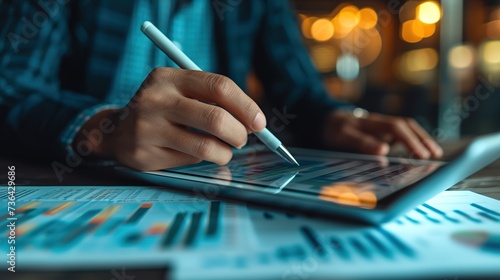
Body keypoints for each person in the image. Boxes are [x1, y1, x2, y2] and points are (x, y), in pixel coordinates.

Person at [0, 0, 442, 172]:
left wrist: (336, 119)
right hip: (83, 189)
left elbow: (299, 93)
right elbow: (11, 88)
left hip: (216, 183)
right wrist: (103, 130)